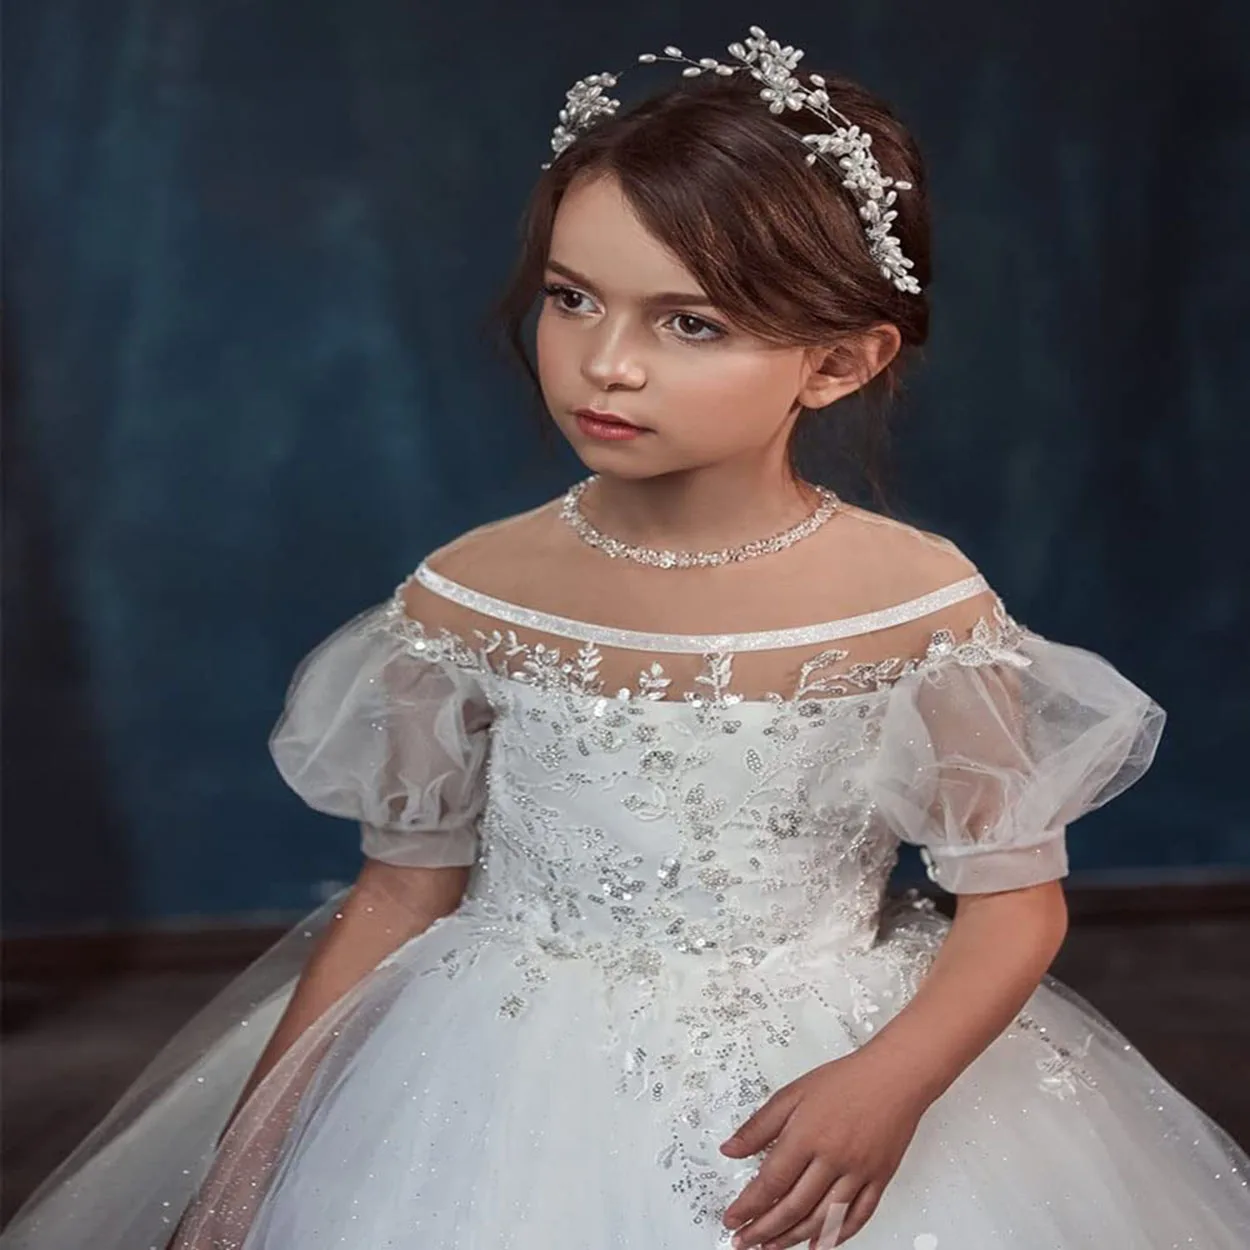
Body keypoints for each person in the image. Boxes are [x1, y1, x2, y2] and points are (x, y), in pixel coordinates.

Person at [6, 24, 1249, 1250]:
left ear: (836, 362)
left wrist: (891, 1080)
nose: (605, 364)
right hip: (489, 1070)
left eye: (688, 322)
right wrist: (249, 1163)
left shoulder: (914, 604)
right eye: (570, 298)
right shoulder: (471, 593)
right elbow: (395, 891)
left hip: (821, 1051)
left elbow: (1013, 907)